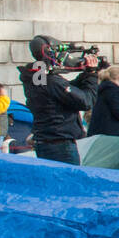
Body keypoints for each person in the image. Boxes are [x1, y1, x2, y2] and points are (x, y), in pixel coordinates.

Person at [18, 35, 100, 165]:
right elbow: (86, 101)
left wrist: (85, 75)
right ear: (50, 53)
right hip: (60, 145)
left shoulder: (36, 78)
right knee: (70, 183)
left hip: (46, 142)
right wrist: (91, 74)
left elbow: (59, 92)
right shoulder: (51, 82)